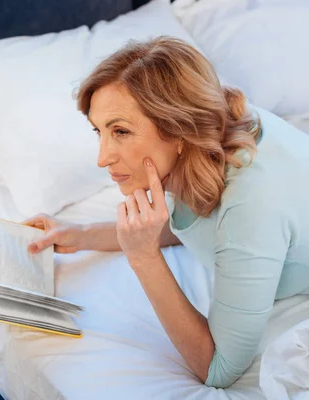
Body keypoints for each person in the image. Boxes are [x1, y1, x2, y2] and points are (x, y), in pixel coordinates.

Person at [24, 36, 309, 388]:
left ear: (179, 130)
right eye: (100, 131)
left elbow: (217, 369)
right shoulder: (214, 133)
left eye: (121, 131)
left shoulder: (252, 208)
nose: (102, 158)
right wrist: (81, 235)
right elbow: (193, 222)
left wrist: (143, 257)